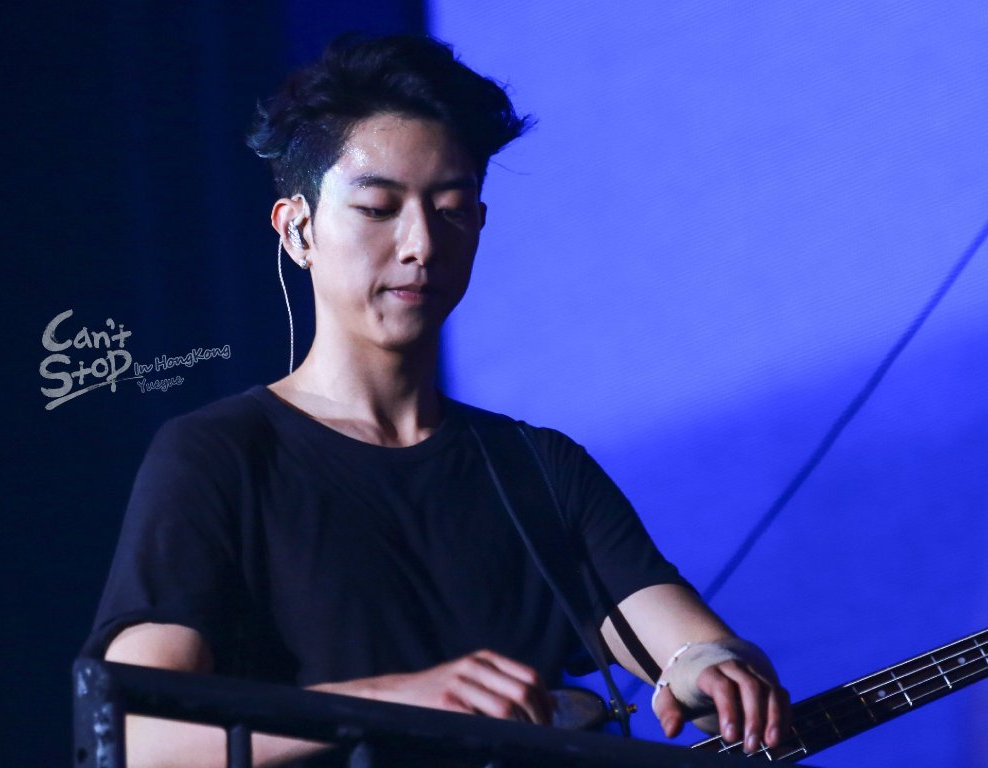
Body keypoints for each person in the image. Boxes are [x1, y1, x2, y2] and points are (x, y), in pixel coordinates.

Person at [83, 34, 790, 767]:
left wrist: (715, 665)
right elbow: (135, 739)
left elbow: (685, 643)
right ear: (297, 229)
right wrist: (396, 705)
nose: (421, 244)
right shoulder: (221, 455)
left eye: (451, 211)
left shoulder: (538, 466)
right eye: (378, 208)